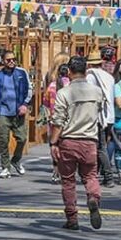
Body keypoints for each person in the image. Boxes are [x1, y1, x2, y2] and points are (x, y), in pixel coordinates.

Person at [51, 56, 105, 230]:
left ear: (69, 71)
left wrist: (53, 143)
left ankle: (72, 218)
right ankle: (93, 198)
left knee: (68, 181)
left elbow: (58, 121)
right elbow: (100, 113)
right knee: (90, 175)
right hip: (89, 140)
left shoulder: (64, 93)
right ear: (86, 70)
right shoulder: (97, 92)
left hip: (68, 141)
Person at [0, 50, 33, 178]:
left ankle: (16, 160)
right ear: (3, 61)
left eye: (13, 59)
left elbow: (29, 89)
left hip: (18, 111)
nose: (12, 62)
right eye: (8, 60)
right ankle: (5, 167)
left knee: (22, 138)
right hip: (3, 112)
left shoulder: (22, 73)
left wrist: (25, 104)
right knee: (3, 141)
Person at [86, 48, 117, 186]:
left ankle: (108, 175)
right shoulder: (109, 77)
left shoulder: (90, 76)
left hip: (97, 116)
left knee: (99, 147)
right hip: (109, 115)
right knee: (102, 145)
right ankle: (100, 173)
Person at [44, 54, 72, 182]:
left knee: (54, 143)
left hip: (53, 118)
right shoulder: (71, 85)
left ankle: (56, 169)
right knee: (66, 143)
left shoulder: (51, 84)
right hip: (68, 119)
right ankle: (65, 168)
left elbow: (45, 102)